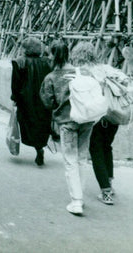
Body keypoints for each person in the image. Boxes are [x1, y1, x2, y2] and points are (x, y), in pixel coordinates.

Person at [40, 39, 92, 216]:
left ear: (53, 55)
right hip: (86, 120)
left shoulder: (52, 77)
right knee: (82, 158)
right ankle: (80, 197)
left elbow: (47, 101)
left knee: (70, 161)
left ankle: (76, 201)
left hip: (66, 122)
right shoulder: (82, 72)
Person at [70, 41, 126, 206]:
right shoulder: (106, 68)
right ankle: (109, 182)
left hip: (96, 117)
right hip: (113, 115)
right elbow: (125, 80)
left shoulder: (82, 73)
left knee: (96, 151)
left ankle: (106, 191)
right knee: (107, 147)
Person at [10, 37, 52, 166]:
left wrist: (15, 98)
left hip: (25, 100)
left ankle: (36, 147)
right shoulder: (46, 62)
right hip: (42, 99)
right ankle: (40, 148)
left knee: (28, 124)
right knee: (41, 124)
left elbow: (15, 84)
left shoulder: (19, 62)